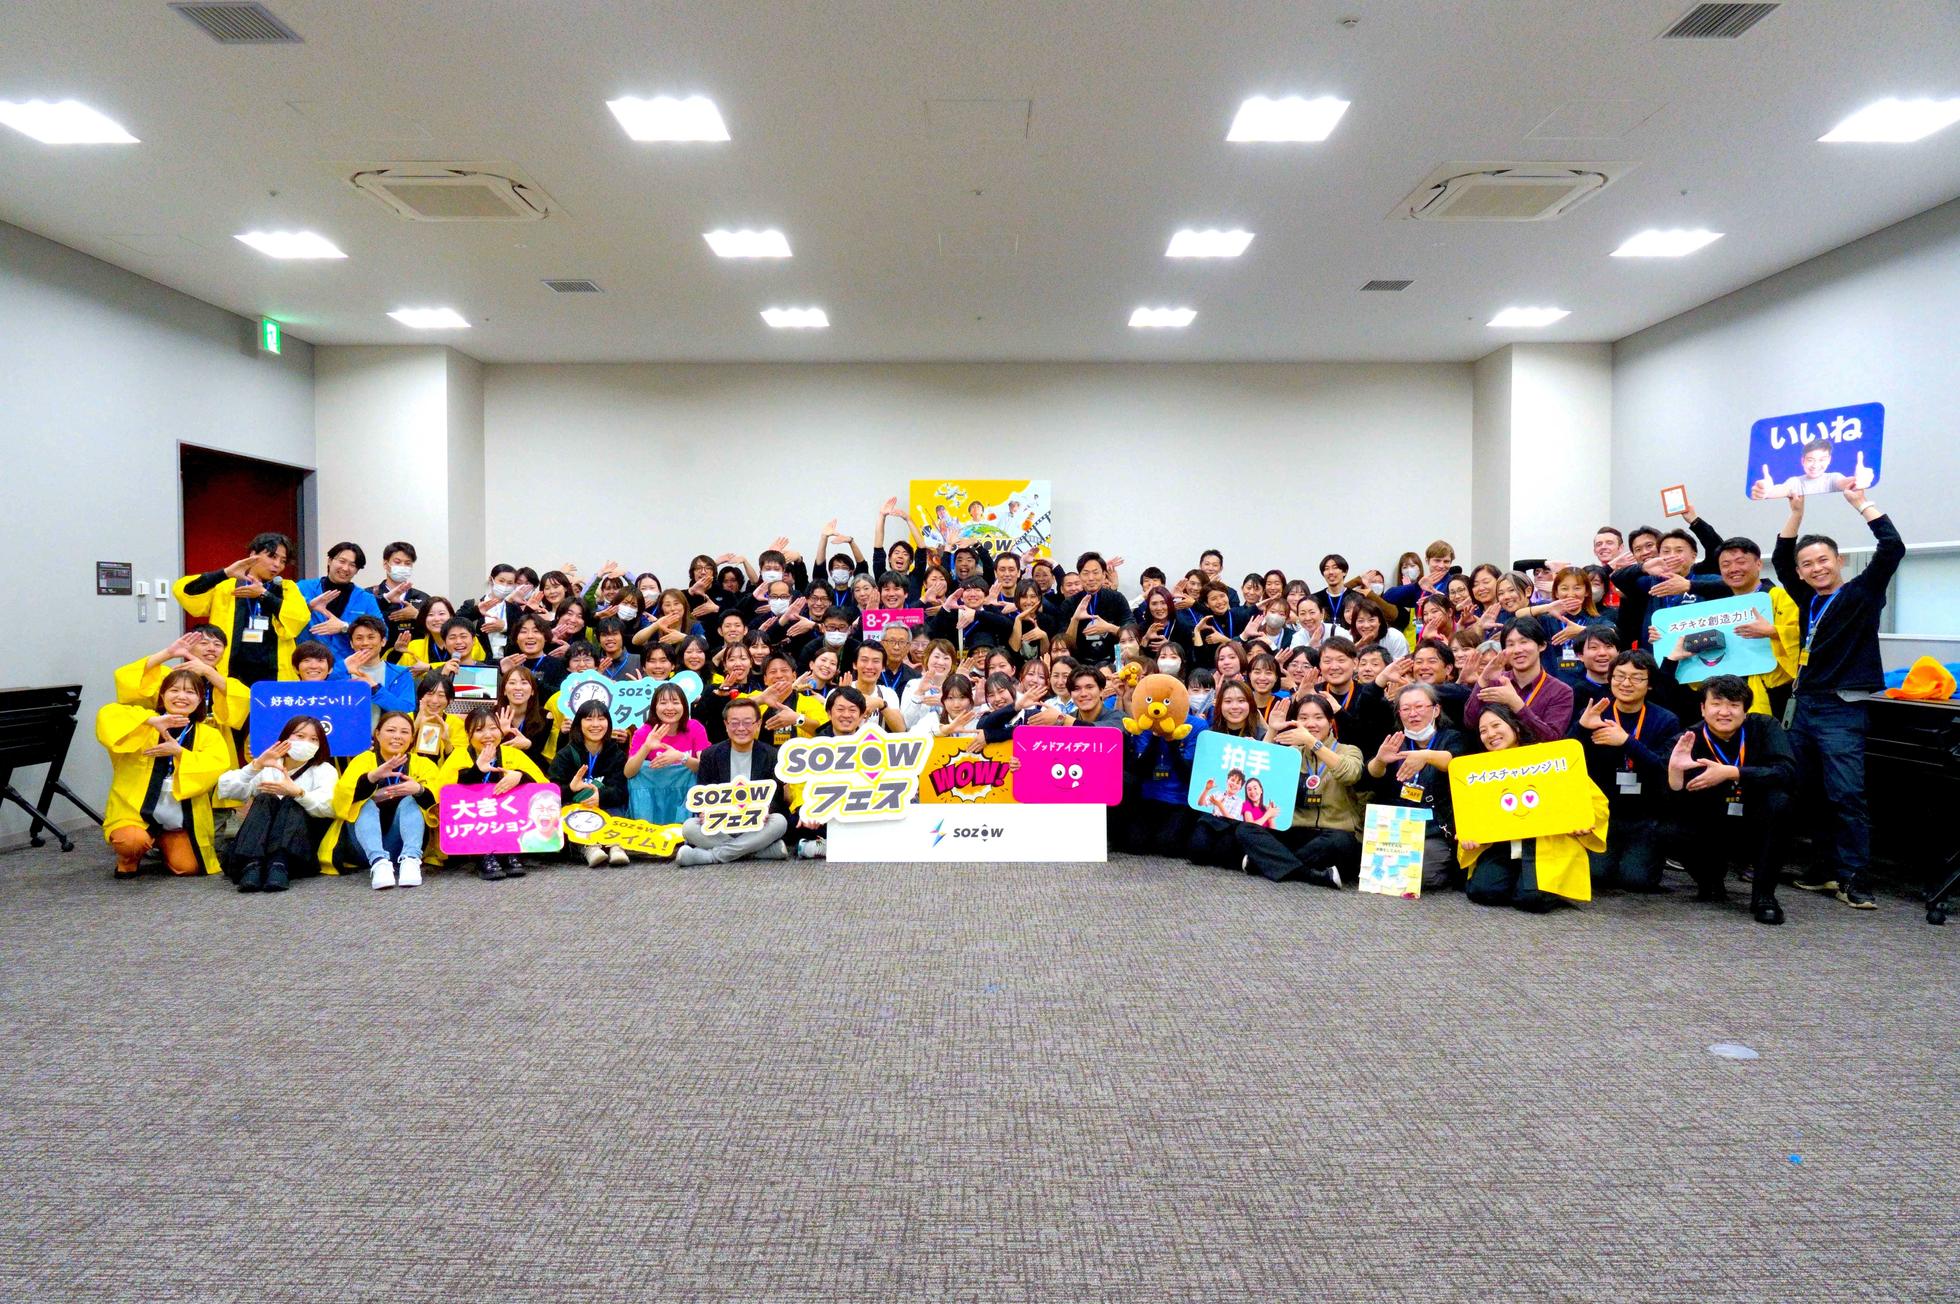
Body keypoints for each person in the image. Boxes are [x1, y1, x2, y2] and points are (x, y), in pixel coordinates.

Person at [1771, 487, 1905, 909]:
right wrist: (1796, 512)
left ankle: (1854, 877)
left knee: (1846, 794)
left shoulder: (1862, 594)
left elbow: (1892, 547)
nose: (1816, 568)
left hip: (1841, 708)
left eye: (1823, 560)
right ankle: (1825, 867)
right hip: (1803, 706)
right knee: (1806, 791)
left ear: (1839, 561)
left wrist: (1860, 503)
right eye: (1807, 564)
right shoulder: (1806, 598)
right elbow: (1781, 560)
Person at [1667, 675, 1797, 924]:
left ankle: (1764, 896)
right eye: (1716, 704)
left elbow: (1787, 773)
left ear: (1745, 710)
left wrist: (1732, 772)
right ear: (1703, 708)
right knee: (1668, 828)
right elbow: (1670, 798)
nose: (1724, 712)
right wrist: (1674, 772)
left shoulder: (1765, 727)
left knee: (1780, 802)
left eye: (1734, 705)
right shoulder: (1689, 738)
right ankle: (1709, 881)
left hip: (1753, 820)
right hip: (1711, 821)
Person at [1459, 704, 1608, 913]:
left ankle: (1537, 885)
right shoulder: (1481, 771)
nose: (1490, 734)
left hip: (1548, 844)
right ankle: (1518, 880)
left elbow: (1594, 801)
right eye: (1483, 731)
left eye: (1496, 725)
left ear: (1516, 727)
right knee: (1482, 892)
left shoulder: (1546, 758)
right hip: (1503, 845)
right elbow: (1473, 813)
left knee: (1531, 900)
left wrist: (1583, 820)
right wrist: (1470, 835)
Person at [96, 667, 232, 877]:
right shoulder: (143, 725)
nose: (181, 696)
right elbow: (107, 715)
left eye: (190, 692)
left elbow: (215, 767)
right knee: (132, 842)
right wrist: (150, 721)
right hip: (136, 813)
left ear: (199, 700)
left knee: (188, 867)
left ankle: (163, 843)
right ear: (162, 695)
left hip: (178, 817)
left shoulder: (209, 734)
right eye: (174, 690)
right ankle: (129, 860)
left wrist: (179, 753)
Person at [1571, 651, 1680, 893]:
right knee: (1597, 876)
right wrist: (1581, 727)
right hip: (1603, 812)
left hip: (1645, 814)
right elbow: (1566, 760)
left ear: (1649, 684)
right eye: (1619, 676)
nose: (1626, 683)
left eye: (1636, 677)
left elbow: (1663, 770)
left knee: (1636, 881)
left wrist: (1627, 742)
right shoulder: (1597, 712)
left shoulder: (1666, 720)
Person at [1239, 693, 1366, 886]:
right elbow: (1259, 777)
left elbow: (1349, 774)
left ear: (1330, 722)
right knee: (1246, 829)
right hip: (1296, 830)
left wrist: (1312, 743)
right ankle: (1312, 875)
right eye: (1304, 718)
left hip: (1333, 832)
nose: (1311, 724)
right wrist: (1272, 730)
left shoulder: (1349, 750)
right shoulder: (1292, 753)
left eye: (1318, 717)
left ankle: (1267, 863)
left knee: (1342, 842)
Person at [1364, 682, 1467, 891]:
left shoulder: (1451, 737)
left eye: (1419, 707)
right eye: (1406, 709)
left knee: (1423, 875)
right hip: (1399, 826)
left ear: (1436, 710)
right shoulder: (1396, 740)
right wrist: (1380, 761)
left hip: (1436, 826)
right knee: (1383, 871)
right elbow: (1370, 776)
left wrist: (1426, 756)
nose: (1413, 714)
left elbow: (1455, 762)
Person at [217, 715, 338, 892]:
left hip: (297, 851)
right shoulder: (269, 765)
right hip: (257, 847)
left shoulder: (324, 770)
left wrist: (299, 793)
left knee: (291, 801)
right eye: (300, 736)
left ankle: (278, 864)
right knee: (265, 798)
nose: (306, 743)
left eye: (314, 739)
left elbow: (329, 808)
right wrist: (255, 766)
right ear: (286, 737)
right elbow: (227, 789)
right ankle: (252, 865)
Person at [171, 532, 307, 685]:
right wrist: (225, 573)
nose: (277, 565)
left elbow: (299, 618)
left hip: (273, 673)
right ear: (253, 554)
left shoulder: (286, 588)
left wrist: (264, 595)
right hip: (230, 670)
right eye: (272, 557)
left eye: (283, 561)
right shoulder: (226, 586)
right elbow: (185, 592)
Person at [434, 706, 548, 881]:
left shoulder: (513, 754)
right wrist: (476, 771)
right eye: (479, 730)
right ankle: (483, 854)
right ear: (468, 734)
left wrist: (520, 776)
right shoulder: (459, 756)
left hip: (508, 820)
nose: (488, 735)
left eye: (493, 728)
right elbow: (445, 795)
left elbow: (544, 788)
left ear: (500, 731)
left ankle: (510, 850)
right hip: (476, 822)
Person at [334, 710, 439, 890]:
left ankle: (411, 860)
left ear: (412, 738)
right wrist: (371, 778)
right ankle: (379, 863)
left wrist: (419, 790)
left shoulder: (424, 764)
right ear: (377, 734)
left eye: (404, 732)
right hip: (362, 846)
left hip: (400, 844)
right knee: (365, 804)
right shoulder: (362, 761)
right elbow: (340, 801)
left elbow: (437, 808)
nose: (397, 736)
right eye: (391, 730)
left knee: (410, 800)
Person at [679, 698, 792, 865]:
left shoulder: (772, 755)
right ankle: (756, 851)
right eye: (734, 723)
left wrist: (767, 810)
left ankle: (711, 857)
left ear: (758, 724)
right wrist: (705, 812)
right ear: (726, 724)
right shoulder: (710, 755)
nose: (741, 728)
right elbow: (703, 791)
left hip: (756, 824)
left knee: (779, 822)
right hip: (721, 825)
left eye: (747, 722)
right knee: (689, 827)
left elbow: (775, 798)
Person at [1463, 618, 1574, 744]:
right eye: (1510, 644)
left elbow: (1552, 738)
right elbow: (1470, 722)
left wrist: (1516, 704)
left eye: (1524, 642)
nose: (1517, 650)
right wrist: (1483, 680)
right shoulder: (1496, 682)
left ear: (1542, 645)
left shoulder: (1560, 691)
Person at [552, 700, 632, 867]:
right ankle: (588, 848)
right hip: (575, 808)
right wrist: (571, 788)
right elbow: (551, 793)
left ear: (608, 724)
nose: (595, 724)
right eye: (589, 719)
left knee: (616, 809)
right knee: (570, 817)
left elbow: (621, 791)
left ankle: (616, 846)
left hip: (606, 808)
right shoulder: (565, 754)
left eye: (601, 719)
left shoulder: (616, 754)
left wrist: (600, 796)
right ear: (578, 723)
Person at [625, 683, 708, 824]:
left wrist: (682, 757)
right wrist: (646, 747)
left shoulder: (695, 728)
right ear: (654, 707)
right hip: (653, 799)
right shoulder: (645, 732)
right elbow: (629, 773)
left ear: (684, 706)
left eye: (675, 702)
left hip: (686, 796)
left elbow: (705, 768)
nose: (670, 708)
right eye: (663, 703)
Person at [295, 541, 387, 662]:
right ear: (329, 561)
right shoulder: (302, 588)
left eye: (352, 565)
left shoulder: (366, 599)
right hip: (308, 666)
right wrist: (309, 606)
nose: (345, 568)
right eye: (342, 561)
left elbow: (383, 633)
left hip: (349, 666)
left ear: (357, 570)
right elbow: (285, 617)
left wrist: (346, 627)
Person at [1752, 444, 1874, 500]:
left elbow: (1844, 483)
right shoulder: (1795, 482)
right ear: (1803, 461)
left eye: (1821, 460)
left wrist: (1857, 481)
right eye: (1810, 460)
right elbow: (1782, 489)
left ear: (1829, 460)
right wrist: (1767, 491)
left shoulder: (1833, 477)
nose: (1815, 465)